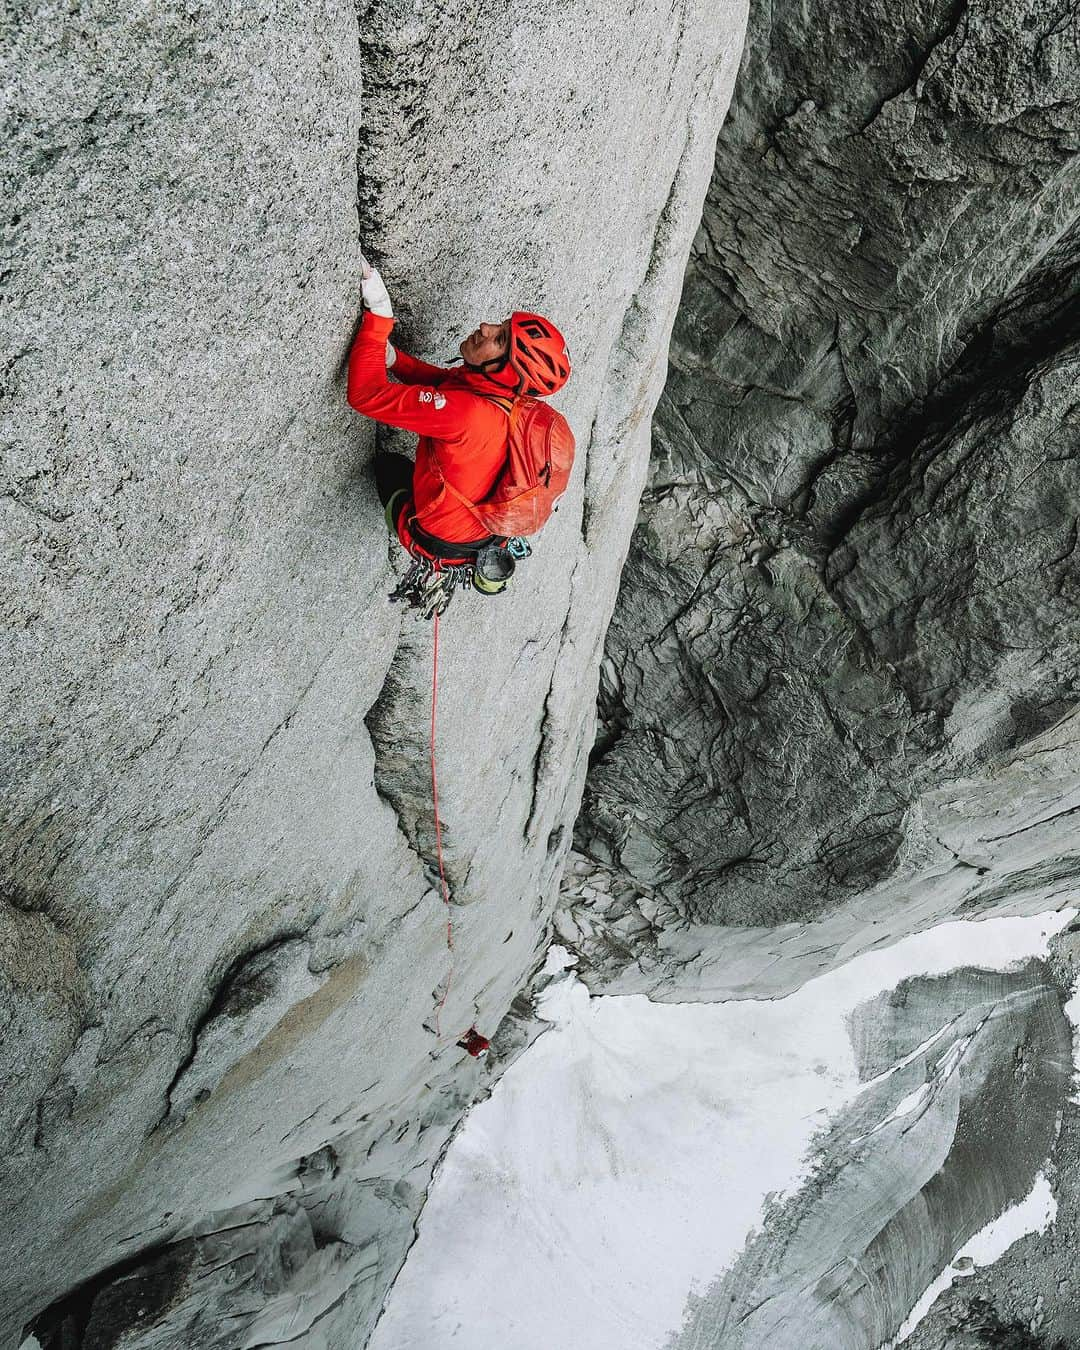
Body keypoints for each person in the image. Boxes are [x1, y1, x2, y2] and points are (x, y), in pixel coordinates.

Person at [347, 258, 571, 614]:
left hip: (436, 541)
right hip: (481, 535)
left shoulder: (468, 416)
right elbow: (448, 386)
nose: (484, 327)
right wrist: (395, 361)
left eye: (498, 339)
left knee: (387, 466)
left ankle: (416, 537)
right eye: (500, 326)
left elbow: (365, 394)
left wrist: (378, 321)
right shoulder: (506, 402)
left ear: (507, 373)